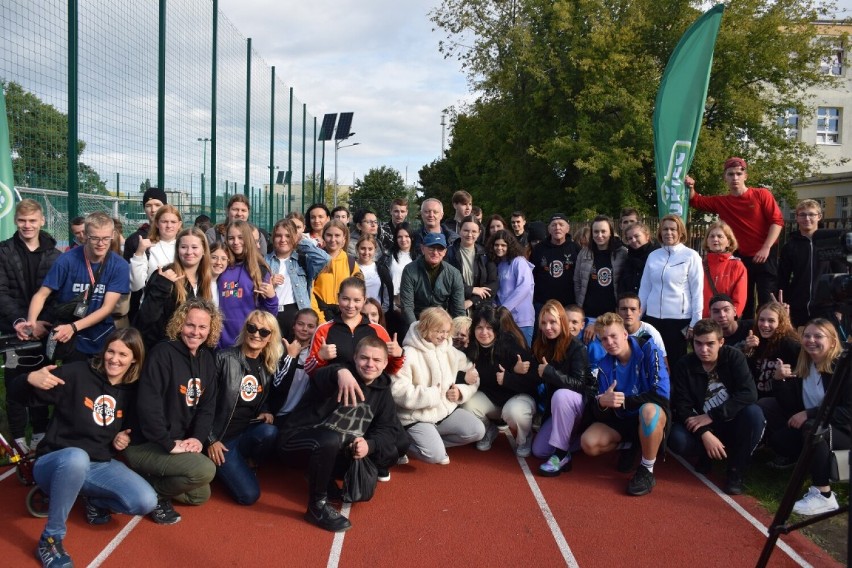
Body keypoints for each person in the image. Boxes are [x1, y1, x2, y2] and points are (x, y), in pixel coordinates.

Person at [13, 328, 156, 568]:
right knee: (76, 458)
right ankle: (51, 539)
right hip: (56, 462)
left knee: (145, 501)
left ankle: (94, 501)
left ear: (134, 359)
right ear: (104, 351)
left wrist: (123, 436)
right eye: (111, 351)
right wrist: (28, 379)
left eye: (123, 354)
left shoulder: (131, 390)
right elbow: (19, 397)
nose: (114, 359)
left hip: (97, 465)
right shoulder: (77, 373)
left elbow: (133, 426)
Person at [279, 336, 402, 532]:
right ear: (354, 358)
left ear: (386, 363)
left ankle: (318, 475)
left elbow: (389, 429)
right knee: (329, 439)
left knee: (390, 451)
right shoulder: (338, 375)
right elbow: (321, 376)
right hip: (297, 442)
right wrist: (340, 371)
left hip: (337, 450)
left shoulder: (382, 390)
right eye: (364, 358)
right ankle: (316, 508)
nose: (370, 364)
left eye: (377, 360)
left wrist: (369, 445)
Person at [124, 300, 221, 524]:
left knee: (199, 494)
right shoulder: (162, 353)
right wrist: (168, 443)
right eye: (190, 325)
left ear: (211, 329)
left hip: (175, 442)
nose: (195, 332)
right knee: (205, 470)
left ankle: (145, 480)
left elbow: (208, 407)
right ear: (180, 324)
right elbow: (149, 407)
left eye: (202, 327)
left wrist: (197, 439)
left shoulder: (207, 359)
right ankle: (153, 495)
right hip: (145, 443)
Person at [669, 318, 764, 495]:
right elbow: (682, 406)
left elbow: (749, 393)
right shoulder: (684, 365)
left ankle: (736, 470)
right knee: (677, 439)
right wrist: (704, 433)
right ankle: (706, 453)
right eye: (698, 343)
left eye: (710, 344)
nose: (703, 349)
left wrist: (713, 415)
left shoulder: (734, 357)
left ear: (721, 342)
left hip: (730, 420)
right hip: (700, 423)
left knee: (754, 413)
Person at [19, 212, 130, 362]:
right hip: (70, 331)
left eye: (106, 238)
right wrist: (31, 322)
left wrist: (74, 327)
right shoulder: (66, 260)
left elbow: (107, 308)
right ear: (85, 235)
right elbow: (41, 295)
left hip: (101, 332)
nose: (101, 243)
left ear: (113, 235)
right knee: (72, 378)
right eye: (95, 238)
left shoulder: (119, 265)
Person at [581, 312, 670, 496]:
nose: (610, 342)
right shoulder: (603, 365)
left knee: (649, 411)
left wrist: (624, 402)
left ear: (625, 334)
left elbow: (661, 395)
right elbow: (600, 412)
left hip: (648, 415)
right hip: (623, 421)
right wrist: (603, 404)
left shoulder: (648, 349)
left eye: (613, 336)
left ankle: (646, 470)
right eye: (604, 339)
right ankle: (632, 445)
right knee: (588, 443)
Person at [767, 319, 850, 515]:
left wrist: (810, 414)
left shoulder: (844, 368)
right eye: (807, 335)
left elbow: (848, 411)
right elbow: (791, 407)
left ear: (832, 341)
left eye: (818, 336)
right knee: (780, 441)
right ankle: (811, 462)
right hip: (815, 426)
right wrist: (779, 381)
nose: (811, 340)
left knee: (813, 428)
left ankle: (824, 494)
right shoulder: (804, 365)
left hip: (845, 430)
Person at [688, 157, 785, 318]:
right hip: (741, 257)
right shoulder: (722, 202)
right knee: (743, 301)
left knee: (767, 300)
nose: (735, 178)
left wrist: (766, 247)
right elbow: (696, 200)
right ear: (725, 177)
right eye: (730, 174)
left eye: (739, 174)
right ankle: (745, 337)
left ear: (745, 176)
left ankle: (768, 338)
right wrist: (691, 186)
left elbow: (777, 221)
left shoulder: (762, 194)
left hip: (765, 254)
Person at [0, 199, 60, 452]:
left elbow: (57, 294)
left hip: (44, 331)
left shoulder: (55, 255)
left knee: (43, 378)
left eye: (32, 220)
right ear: (16, 221)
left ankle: (39, 432)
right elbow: (1, 291)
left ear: (42, 221)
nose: (27, 225)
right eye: (23, 221)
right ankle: (16, 438)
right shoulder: (3, 251)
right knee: (14, 381)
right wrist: (21, 322)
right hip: (11, 330)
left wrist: (39, 324)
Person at [208, 311, 283, 505]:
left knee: (270, 432)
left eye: (264, 331)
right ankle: (219, 466)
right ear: (245, 328)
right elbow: (204, 403)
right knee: (249, 496)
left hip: (244, 432)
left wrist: (265, 409)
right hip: (221, 439)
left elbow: (261, 396)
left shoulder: (266, 367)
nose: (256, 334)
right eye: (252, 327)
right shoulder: (223, 358)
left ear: (270, 338)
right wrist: (211, 439)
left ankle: (245, 461)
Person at [391, 307, 484, 463]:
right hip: (416, 416)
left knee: (477, 431)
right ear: (426, 328)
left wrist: (461, 391)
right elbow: (397, 391)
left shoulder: (449, 350)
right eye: (440, 331)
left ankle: (431, 441)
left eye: (447, 332)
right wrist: (432, 395)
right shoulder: (408, 354)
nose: (445, 336)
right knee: (436, 456)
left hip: (444, 412)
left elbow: (474, 374)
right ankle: (398, 445)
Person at [463, 304, 538, 457]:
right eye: (479, 327)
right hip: (492, 401)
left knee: (514, 412)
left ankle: (525, 437)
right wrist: (463, 377)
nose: (484, 332)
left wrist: (509, 377)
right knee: (467, 405)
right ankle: (489, 428)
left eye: (489, 328)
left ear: (496, 329)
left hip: (517, 398)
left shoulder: (511, 346)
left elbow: (534, 380)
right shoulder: (471, 349)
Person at [531, 300, 595, 476]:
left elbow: (579, 384)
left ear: (562, 321)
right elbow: (534, 376)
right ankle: (575, 441)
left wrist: (550, 372)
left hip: (580, 405)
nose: (548, 327)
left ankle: (560, 455)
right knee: (539, 451)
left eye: (553, 322)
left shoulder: (577, 347)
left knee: (562, 395)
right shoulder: (541, 345)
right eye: (544, 323)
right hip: (559, 410)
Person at [305, 277, 404, 378]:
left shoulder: (378, 330)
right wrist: (320, 357)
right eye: (345, 299)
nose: (351, 305)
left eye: (357, 300)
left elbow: (390, 369)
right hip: (332, 392)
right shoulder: (323, 330)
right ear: (338, 298)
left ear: (364, 300)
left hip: (368, 392)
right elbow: (309, 371)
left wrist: (398, 355)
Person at [638, 214, 703, 367]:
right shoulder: (653, 256)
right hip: (653, 317)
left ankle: (676, 390)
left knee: (676, 361)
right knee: (653, 359)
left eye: (673, 229)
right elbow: (645, 288)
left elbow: (697, 291)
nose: (669, 232)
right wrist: (637, 316)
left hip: (678, 319)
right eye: (665, 229)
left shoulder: (691, 256)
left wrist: (695, 321)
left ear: (680, 232)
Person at [133, 227, 212, 350]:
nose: (189, 252)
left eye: (194, 247)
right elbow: (145, 319)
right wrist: (161, 286)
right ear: (177, 250)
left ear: (203, 251)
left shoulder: (206, 281)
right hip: (163, 352)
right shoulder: (165, 275)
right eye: (184, 247)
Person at [778, 199, 847, 328]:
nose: (807, 218)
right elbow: (783, 278)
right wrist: (783, 304)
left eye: (811, 214)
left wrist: (839, 307)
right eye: (802, 214)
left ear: (819, 217)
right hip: (797, 306)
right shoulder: (790, 246)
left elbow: (841, 276)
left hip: (826, 307)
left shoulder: (830, 243)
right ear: (797, 218)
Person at [265, 218, 329, 340]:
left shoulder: (302, 260)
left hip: (297, 312)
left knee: (297, 352)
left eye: (288, 236)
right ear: (273, 238)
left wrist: (301, 241)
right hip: (272, 312)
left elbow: (324, 259)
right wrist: (269, 284)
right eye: (279, 236)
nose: (283, 240)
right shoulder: (264, 261)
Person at [216, 220, 278, 346]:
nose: (236, 242)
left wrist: (272, 298)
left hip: (248, 341)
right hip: (220, 342)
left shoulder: (260, 269)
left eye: (240, 237)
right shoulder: (221, 265)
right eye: (231, 238)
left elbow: (268, 315)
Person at [399, 232, 466, 329]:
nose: (435, 252)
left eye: (440, 249)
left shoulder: (454, 274)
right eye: (431, 248)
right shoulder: (409, 270)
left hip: (442, 324)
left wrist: (460, 329)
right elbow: (407, 307)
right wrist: (416, 329)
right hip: (416, 322)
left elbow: (458, 309)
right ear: (423, 249)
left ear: (445, 252)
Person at [574, 215, 627, 336]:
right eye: (596, 231)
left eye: (603, 231)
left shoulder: (622, 253)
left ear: (611, 233)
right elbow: (577, 281)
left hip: (613, 315)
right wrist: (579, 304)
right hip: (588, 314)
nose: (599, 235)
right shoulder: (584, 253)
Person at [270, 308, 320, 423]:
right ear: (293, 326)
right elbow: (275, 384)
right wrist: (290, 357)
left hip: (299, 417)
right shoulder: (280, 348)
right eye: (300, 324)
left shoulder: (315, 353)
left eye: (310, 326)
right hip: (276, 413)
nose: (304, 329)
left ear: (317, 329)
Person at [489, 229, 535, 345]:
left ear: (510, 246)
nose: (499, 248)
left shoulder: (519, 262)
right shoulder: (498, 264)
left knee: (523, 355)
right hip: (504, 320)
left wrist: (504, 308)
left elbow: (524, 287)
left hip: (521, 319)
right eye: (496, 245)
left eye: (503, 245)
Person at [310, 219, 362, 323]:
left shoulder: (351, 263)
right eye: (329, 235)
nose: (333, 239)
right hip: (319, 315)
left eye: (337, 235)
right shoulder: (314, 260)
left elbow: (358, 293)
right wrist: (319, 319)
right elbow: (310, 292)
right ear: (323, 236)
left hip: (344, 317)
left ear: (344, 238)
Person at [445, 216, 497, 314]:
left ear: (479, 233)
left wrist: (472, 301)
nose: (469, 234)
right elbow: (447, 281)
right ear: (459, 230)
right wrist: (471, 289)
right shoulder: (448, 253)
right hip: (455, 308)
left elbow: (493, 284)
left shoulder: (486, 254)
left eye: (474, 231)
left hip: (481, 309)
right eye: (466, 230)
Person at [530, 213, 580, 312]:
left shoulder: (575, 248)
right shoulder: (539, 249)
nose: (557, 227)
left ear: (568, 228)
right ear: (548, 229)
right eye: (554, 225)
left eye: (561, 224)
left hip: (568, 305)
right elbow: (532, 276)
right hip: (543, 304)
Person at [130, 204, 182, 293]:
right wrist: (139, 253)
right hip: (153, 302)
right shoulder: (147, 248)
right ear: (157, 223)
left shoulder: (187, 248)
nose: (169, 225)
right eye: (164, 221)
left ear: (179, 224)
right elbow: (135, 285)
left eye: (173, 222)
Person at [702, 220, 747, 318]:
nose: (715, 239)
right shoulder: (698, 264)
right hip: (702, 321)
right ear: (707, 241)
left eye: (720, 236)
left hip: (725, 321)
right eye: (712, 236)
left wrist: (730, 319)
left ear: (729, 242)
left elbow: (739, 298)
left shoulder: (737, 266)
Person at [620, 222, 659, 295]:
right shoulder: (628, 259)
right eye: (630, 238)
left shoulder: (657, 256)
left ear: (647, 236)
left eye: (636, 236)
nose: (633, 240)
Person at [356, 234, 393, 312]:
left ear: (375, 250)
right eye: (363, 248)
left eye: (370, 249)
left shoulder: (381, 269)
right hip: (356, 311)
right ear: (357, 248)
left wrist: (382, 313)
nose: (366, 252)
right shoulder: (351, 267)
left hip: (375, 313)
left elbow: (387, 294)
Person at [209, 241, 229, 307]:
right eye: (214, 257)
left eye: (223, 259)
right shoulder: (198, 282)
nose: (218, 262)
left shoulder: (222, 285)